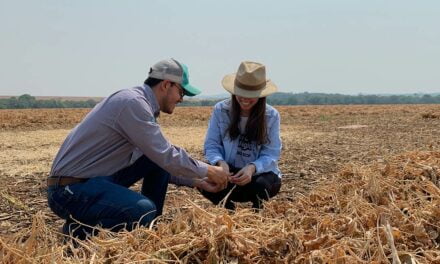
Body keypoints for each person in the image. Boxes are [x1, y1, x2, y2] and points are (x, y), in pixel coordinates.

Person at [47, 58, 229, 240]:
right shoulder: (133, 104)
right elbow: (166, 155)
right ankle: (77, 233)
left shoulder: (139, 104)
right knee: (142, 210)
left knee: (153, 161)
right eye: (181, 92)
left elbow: (158, 159)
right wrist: (210, 170)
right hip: (69, 190)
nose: (181, 99)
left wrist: (197, 181)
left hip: (91, 182)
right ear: (166, 85)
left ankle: (148, 229)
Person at [201, 61, 282, 210]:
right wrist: (220, 164)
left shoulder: (271, 115)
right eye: (240, 94)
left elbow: (271, 153)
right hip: (229, 174)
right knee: (202, 177)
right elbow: (211, 145)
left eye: (250, 95)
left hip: (256, 176)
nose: (244, 99)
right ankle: (228, 210)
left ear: (260, 95)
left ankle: (258, 212)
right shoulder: (221, 110)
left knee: (262, 185)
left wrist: (252, 168)